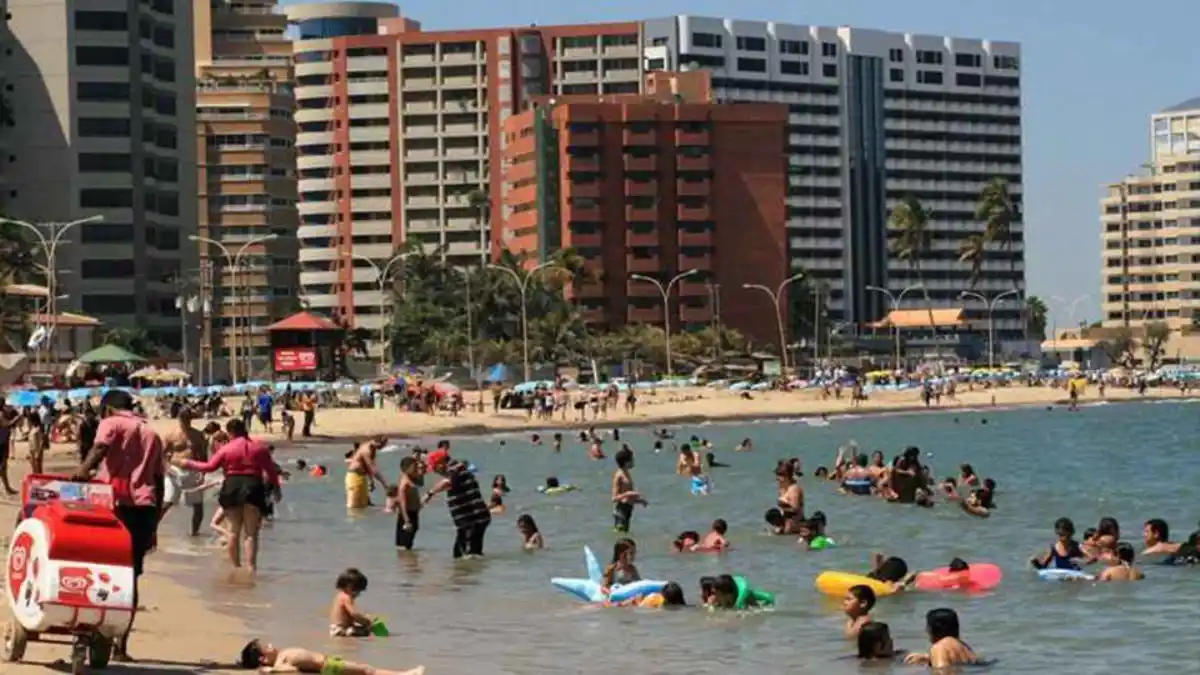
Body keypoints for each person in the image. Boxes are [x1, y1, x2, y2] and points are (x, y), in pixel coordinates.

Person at [71, 389, 165, 662]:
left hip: (112, 506)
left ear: (108, 409)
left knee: (96, 567)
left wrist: (81, 471)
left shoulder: (111, 423)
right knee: (130, 575)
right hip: (144, 510)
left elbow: (100, 449)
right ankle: (121, 645)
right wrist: (155, 524)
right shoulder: (152, 433)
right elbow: (157, 481)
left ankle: (88, 630)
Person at [172, 418, 281, 571]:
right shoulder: (259, 448)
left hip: (232, 485)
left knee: (233, 531)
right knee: (251, 533)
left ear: (230, 433)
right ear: (245, 429)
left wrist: (188, 463)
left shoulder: (226, 449)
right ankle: (251, 568)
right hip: (253, 485)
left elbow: (210, 467)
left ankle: (236, 567)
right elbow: (271, 471)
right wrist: (277, 489)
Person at [421, 448, 491, 559]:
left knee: (468, 556)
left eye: (434, 468)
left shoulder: (455, 469)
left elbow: (447, 482)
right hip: (472, 520)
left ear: (441, 464)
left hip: (473, 520)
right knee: (465, 554)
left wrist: (429, 494)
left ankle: (467, 574)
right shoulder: (456, 469)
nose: (434, 471)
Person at [238, 639, 424, 675]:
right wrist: (272, 670)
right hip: (328, 667)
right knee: (368, 670)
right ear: (263, 658)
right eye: (267, 647)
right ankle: (405, 674)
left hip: (327, 665)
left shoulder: (281, 657)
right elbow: (292, 671)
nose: (271, 645)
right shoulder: (281, 661)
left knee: (366, 671)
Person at [160, 407, 208, 536]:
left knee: (198, 506)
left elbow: (203, 455)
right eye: (184, 419)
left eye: (188, 418)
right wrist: (166, 468)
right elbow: (161, 454)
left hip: (193, 471)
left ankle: (194, 534)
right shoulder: (171, 434)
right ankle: (153, 528)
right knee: (167, 502)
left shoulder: (198, 435)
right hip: (174, 471)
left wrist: (203, 472)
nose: (186, 421)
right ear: (179, 419)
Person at [904, 608, 979, 667]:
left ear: (932, 629)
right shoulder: (965, 647)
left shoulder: (939, 647)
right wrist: (929, 658)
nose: (926, 630)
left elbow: (942, 672)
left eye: (927, 627)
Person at [345, 436, 390, 509]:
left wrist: (371, 480)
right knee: (354, 507)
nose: (382, 447)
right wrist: (385, 484)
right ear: (377, 442)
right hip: (354, 477)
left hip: (362, 477)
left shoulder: (373, 448)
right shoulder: (367, 450)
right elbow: (373, 468)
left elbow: (367, 466)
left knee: (364, 506)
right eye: (382, 445)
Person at [610, 447, 646, 533]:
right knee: (621, 536)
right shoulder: (619, 475)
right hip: (620, 512)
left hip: (627, 511)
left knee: (624, 535)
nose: (634, 461)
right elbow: (614, 498)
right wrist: (629, 493)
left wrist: (639, 501)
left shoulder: (626, 473)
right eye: (632, 459)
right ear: (626, 462)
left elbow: (627, 498)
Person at [329, 568, 373, 637]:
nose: (358, 593)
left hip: (334, 628)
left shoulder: (340, 596)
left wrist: (363, 617)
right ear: (349, 587)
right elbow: (354, 614)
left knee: (360, 627)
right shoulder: (346, 597)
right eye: (357, 590)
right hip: (341, 630)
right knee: (367, 631)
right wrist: (367, 622)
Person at [393, 457, 422, 551]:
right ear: (407, 468)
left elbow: (421, 480)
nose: (416, 469)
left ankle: (410, 562)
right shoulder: (404, 482)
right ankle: (406, 563)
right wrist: (406, 520)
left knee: (409, 543)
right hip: (407, 515)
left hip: (414, 513)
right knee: (404, 544)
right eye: (414, 467)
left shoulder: (412, 479)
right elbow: (402, 502)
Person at [0, 406, 18, 495]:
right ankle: (7, 488)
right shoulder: (1, 415)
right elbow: (6, 425)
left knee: (3, 467)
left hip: (3, 442)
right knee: (3, 467)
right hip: (2, 443)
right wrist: (16, 419)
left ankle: (7, 488)